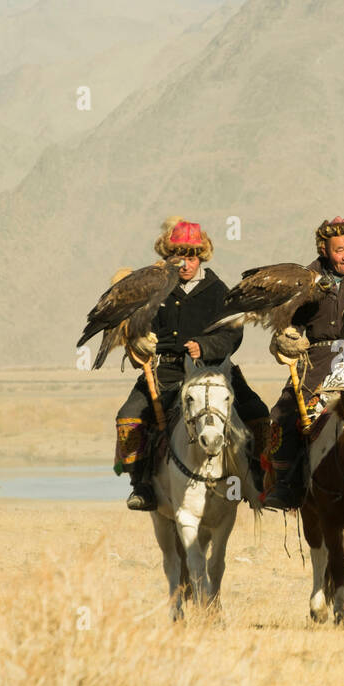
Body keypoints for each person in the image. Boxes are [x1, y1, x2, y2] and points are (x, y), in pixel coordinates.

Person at [115, 216, 269, 511]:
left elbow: (233, 333)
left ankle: (258, 479)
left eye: (191, 256)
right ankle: (141, 485)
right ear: (166, 257)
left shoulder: (218, 290)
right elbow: (133, 328)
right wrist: (139, 343)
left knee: (258, 413)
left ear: (201, 257)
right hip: (165, 370)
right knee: (129, 417)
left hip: (214, 369)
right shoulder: (153, 288)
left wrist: (206, 347)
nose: (184, 264)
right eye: (177, 257)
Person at [262, 216, 344, 510]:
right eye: (340, 250)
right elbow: (291, 323)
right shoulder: (306, 279)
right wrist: (289, 337)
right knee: (283, 414)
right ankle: (286, 485)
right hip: (315, 362)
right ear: (325, 250)